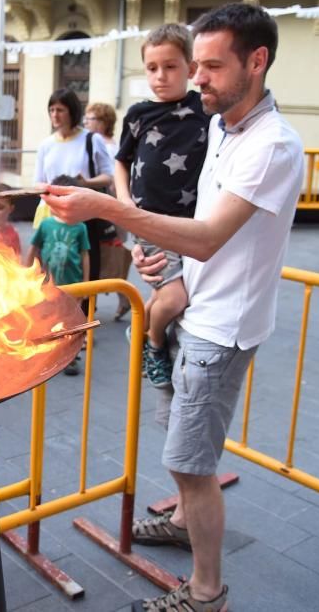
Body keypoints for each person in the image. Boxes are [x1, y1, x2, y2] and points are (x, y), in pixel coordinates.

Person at [45, 3, 303, 612]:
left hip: (221, 329)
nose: (198, 78)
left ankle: (208, 593)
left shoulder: (271, 146)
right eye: (198, 64)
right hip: (193, 306)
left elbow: (212, 234)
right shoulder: (220, 125)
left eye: (212, 66)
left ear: (257, 61)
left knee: (190, 462)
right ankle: (186, 523)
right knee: (176, 437)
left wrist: (106, 208)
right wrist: (174, 265)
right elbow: (200, 226)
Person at [114, 23, 210, 389]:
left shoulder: (204, 108)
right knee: (174, 297)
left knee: (164, 296)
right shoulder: (139, 114)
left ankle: (140, 332)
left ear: (190, 66)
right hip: (149, 222)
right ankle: (154, 344)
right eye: (152, 68)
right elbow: (121, 160)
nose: (160, 76)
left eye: (170, 66)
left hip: (190, 224)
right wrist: (124, 203)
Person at [34, 88, 115, 283]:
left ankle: (85, 309)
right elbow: (37, 181)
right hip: (51, 214)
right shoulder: (46, 144)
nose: (55, 115)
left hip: (83, 214)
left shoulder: (91, 139)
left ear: (72, 111)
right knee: (50, 270)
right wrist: (50, 192)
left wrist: (85, 183)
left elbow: (108, 176)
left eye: (60, 109)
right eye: (51, 110)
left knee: (84, 268)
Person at [28, 175, 90, 375]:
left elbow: (85, 255)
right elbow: (34, 249)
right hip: (49, 285)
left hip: (73, 283)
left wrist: (87, 283)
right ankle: (49, 355)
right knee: (50, 319)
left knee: (71, 322)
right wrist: (27, 273)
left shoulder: (80, 227)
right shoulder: (46, 225)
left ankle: (70, 357)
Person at [85, 101, 134, 321]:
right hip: (108, 208)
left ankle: (119, 296)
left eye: (91, 118)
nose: (86, 122)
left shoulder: (107, 146)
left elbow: (113, 180)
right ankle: (120, 296)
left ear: (103, 122)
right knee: (108, 256)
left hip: (108, 209)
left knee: (107, 256)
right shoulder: (98, 142)